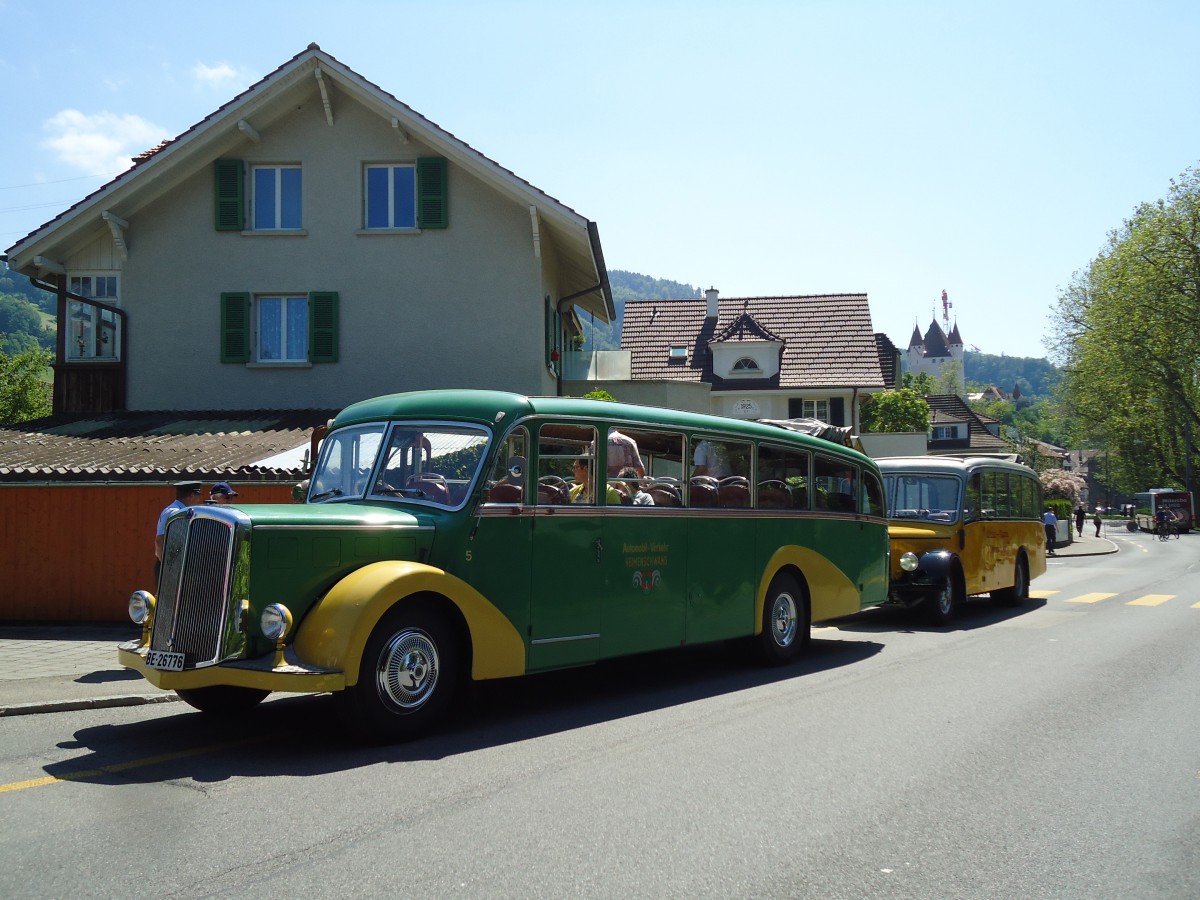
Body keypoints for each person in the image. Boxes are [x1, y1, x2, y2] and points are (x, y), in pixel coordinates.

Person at [155, 480, 203, 579]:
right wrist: (167, 564)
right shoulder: (174, 512)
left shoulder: (183, 511)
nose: (198, 500)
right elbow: (160, 540)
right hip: (170, 565)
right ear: (192, 495)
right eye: (197, 496)